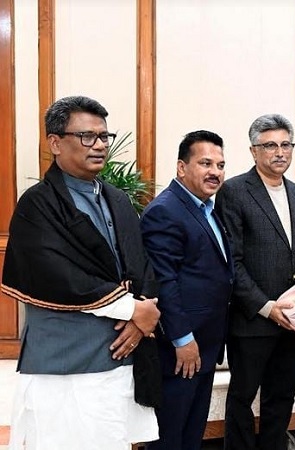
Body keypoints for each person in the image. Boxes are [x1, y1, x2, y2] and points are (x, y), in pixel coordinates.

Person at [1, 95, 161, 449]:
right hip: (64, 363)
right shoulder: (37, 204)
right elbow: (57, 275)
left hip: (119, 354)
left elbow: (141, 262)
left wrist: (142, 317)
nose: (100, 145)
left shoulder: (117, 199)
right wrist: (133, 310)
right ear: (55, 143)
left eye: (104, 136)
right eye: (87, 136)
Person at [216, 114, 295, 450]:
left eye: (286, 144)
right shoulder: (234, 191)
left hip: (293, 319)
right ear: (254, 151)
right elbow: (231, 261)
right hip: (252, 319)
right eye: (270, 145)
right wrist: (265, 306)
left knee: (282, 396)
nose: (280, 152)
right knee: (242, 398)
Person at [140, 130, 234, 450]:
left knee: (191, 438)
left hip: (204, 345)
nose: (215, 172)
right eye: (205, 163)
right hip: (180, 351)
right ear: (182, 167)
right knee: (169, 439)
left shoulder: (206, 208)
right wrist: (182, 339)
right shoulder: (166, 211)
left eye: (220, 165)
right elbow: (164, 282)